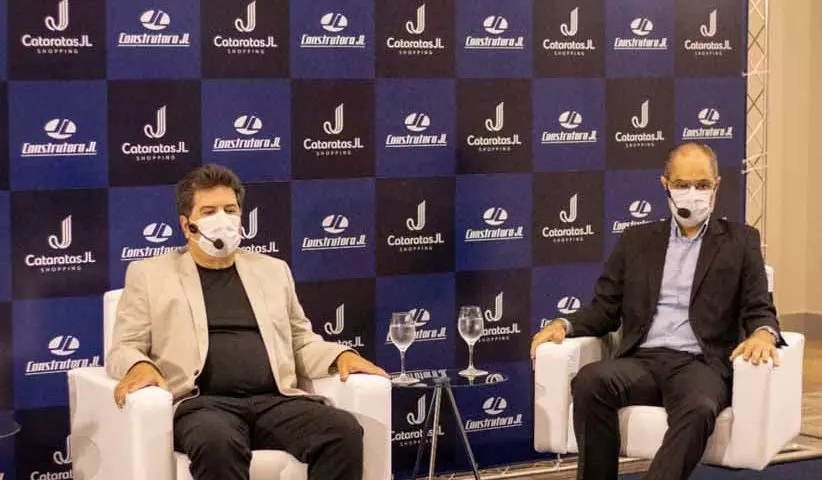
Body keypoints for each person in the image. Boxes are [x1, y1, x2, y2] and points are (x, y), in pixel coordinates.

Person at [106, 164, 387, 480]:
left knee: (342, 432)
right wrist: (139, 366)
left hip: (275, 401)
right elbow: (124, 346)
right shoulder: (150, 274)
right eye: (209, 211)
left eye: (230, 210)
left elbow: (300, 340)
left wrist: (340, 356)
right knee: (217, 443)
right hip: (203, 406)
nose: (222, 219)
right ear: (187, 225)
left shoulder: (273, 270)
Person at [530, 142, 785, 480]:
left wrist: (763, 334)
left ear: (717, 186)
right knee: (590, 382)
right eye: (682, 184)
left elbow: (759, 307)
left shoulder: (741, 241)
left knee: (699, 408)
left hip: (701, 364)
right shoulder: (636, 240)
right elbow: (605, 309)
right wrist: (565, 324)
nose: (692, 193)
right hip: (643, 360)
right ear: (665, 185)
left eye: (702, 185)